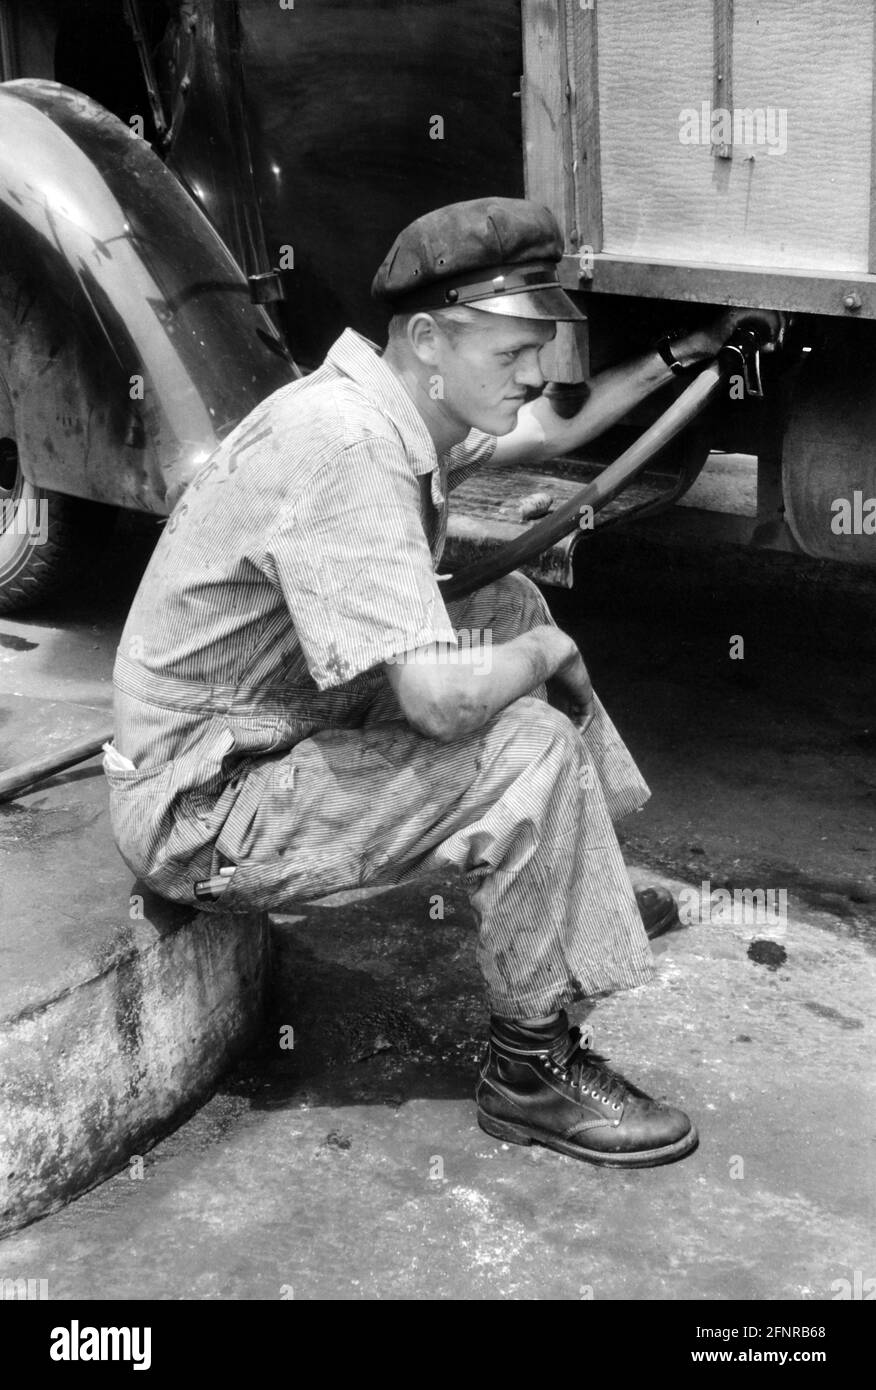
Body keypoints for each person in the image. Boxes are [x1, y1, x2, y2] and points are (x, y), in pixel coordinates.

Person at [105, 197, 777, 1167]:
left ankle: (577, 896)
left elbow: (545, 432)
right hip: (202, 803)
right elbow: (432, 702)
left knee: (507, 611)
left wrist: (686, 352)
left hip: (264, 717)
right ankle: (529, 1071)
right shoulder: (349, 450)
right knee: (525, 742)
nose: (537, 370)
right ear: (429, 340)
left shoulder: (392, 399)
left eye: (539, 347)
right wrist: (550, 665)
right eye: (513, 356)